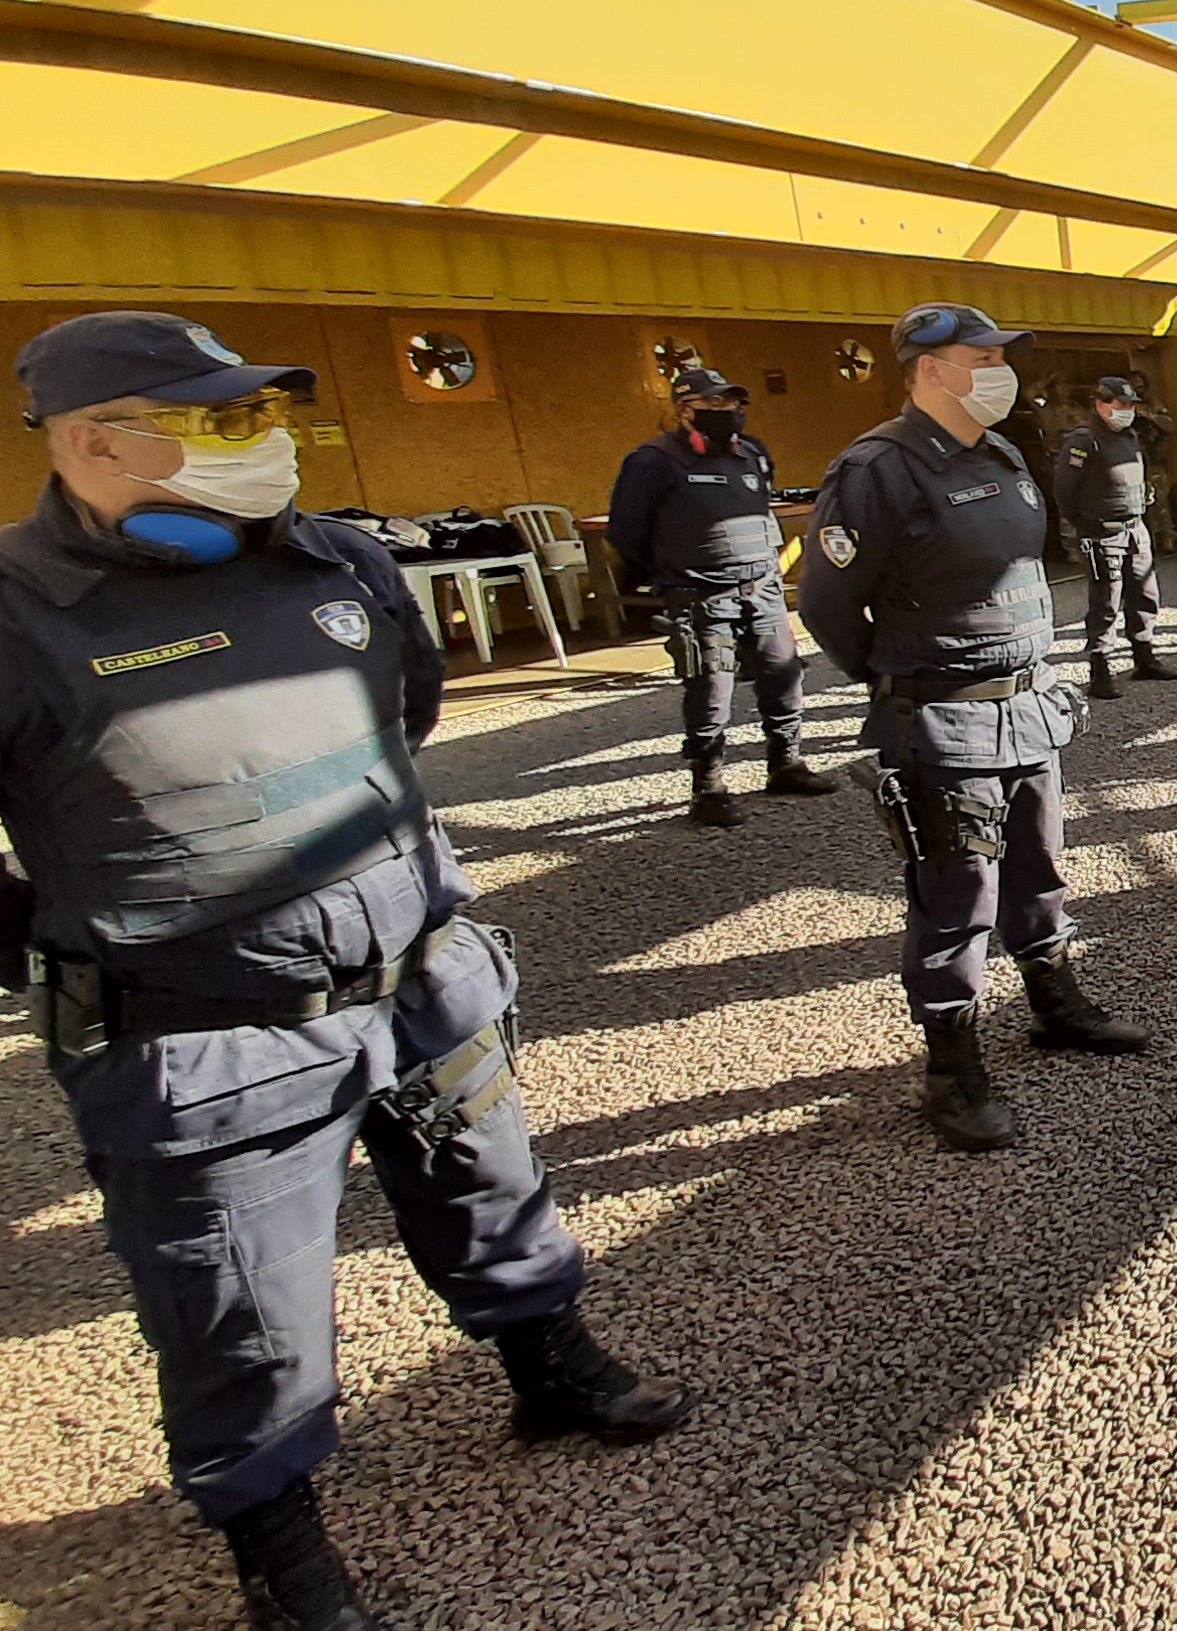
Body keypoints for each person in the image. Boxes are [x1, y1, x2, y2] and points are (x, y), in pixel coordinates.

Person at [4, 312, 689, 1631]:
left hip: (418, 975)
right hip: (210, 1040)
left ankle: (552, 1368)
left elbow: (403, 718)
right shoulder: (20, 615)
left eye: (262, 412)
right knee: (236, 1304)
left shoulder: (340, 563)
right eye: (215, 420)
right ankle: (280, 1547)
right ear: (91, 442)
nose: (262, 440)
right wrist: (90, 952)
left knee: (493, 1190)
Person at [803, 302, 1147, 1155]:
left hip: (1028, 706)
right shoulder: (879, 468)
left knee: (1038, 866)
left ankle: (1053, 1003)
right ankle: (951, 1069)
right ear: (928, 369)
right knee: (958, 896)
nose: (1000, 369)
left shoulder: (998, 451)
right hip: (943, 720)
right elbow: (828, 606)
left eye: (1002, 355)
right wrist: (909, 683)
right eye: (980, 355)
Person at [604, 364, 837, 827]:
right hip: (701, 595)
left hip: (762, 588)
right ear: (683, 410)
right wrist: (668, 574)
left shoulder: (752, 453)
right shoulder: (652, 460)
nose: (726, 412)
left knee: (784, 677)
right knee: (711, 689)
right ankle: (708, 786)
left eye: (732, 404)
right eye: (713, 404)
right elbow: (625, 531)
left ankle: (785, 764)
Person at [1053, 374, 1177, 699]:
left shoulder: (1131, 436)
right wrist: (1085, 525)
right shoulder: (1083, 440)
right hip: (1102, 534)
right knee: (1106, 601)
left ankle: (1144, 656)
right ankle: (1100, 667)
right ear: (1100, 404)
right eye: (1120, 404)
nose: (1127, 410)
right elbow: (1064, 490)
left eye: (1130, 405)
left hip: (1136, 529)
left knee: (1144, 593)